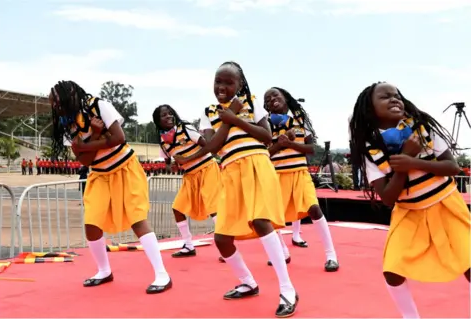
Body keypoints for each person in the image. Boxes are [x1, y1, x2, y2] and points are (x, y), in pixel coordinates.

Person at [178, 62, 298, 318]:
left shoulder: (251, 103)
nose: (221, 87)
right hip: (230, 171)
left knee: (261, 221)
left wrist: (234, 118)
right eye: (217, 82)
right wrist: (227, 118)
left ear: (240, 84)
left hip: (257, 164)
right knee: (222, 239)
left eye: (228, 82)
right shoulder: (208, 111)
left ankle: (288, 289)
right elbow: (212, 146)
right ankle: (248, 282)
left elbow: (267, 137)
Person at [349, 81, 470, 318]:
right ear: (369, 110)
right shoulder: (370, 151)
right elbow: (388, 197)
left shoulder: (423, 130)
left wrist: (415, 161)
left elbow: (452, 167)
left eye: (397, 96)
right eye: (385, 97)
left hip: (446, 205)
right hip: (408, 213)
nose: (394, 99)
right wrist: (403, 161)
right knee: (392, 270)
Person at [48, 80, 172, 294]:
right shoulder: (67, 124)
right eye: (54, 104)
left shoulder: (99, 106)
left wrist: (86, 145)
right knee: (91, 223)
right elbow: (84, 160)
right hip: (99, 174)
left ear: (72, 96)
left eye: (59, 103)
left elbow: (118, 138)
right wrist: (96, 136)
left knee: (137, 219)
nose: (56, 108)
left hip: (125, 168)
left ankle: (162, 274)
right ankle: (104, 271)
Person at [264, 87, 339, 272]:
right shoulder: (264, 125)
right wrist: (279, 145)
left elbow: (311, 149)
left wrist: (290, 144)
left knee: (314, 209)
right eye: (267, 99)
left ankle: (331, 255)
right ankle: (282, 252)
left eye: (276, 95)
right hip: (276, 176)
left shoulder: (299, 120)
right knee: (271, 218)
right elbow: (263, 154)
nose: (272, 99)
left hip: (299, 173)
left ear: (286, 99)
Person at [152, 104, 221, 258]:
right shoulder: (163, 143)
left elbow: (208, 146)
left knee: (213, 206)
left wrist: (187, 159)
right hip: (190, 176)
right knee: (178, 208)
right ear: (157, 121)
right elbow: (169, 165)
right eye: (164, 115)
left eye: (170, 113)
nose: (169, 116)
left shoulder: (185, 128)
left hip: (207, 169)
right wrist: (175, 167)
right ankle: (188, 245)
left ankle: (226, 245)